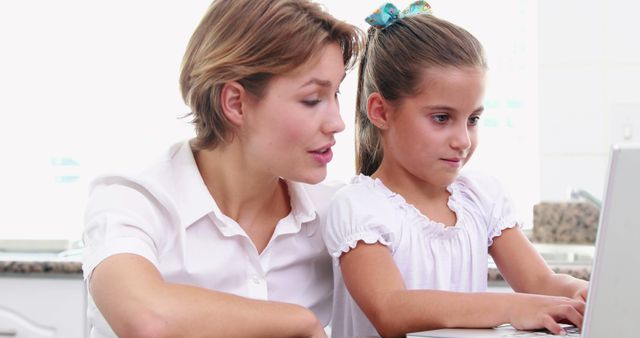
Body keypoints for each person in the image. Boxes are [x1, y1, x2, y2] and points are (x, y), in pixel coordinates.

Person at [82, 1, 362, 337]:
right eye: (313, 99)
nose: (338, 123)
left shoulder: (336, 213)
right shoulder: (133, 202)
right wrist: (298, 321)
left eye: (336, 94)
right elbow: (147, 319)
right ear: (235, 103)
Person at [322, 2, 589, 337]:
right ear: (381, 112)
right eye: (441, 118)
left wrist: (582, 293)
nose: (463, 140)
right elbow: (390, 309)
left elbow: (540, 281)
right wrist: (510, 306)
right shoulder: (359, 207)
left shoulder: (479, 197)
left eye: (472, 119)